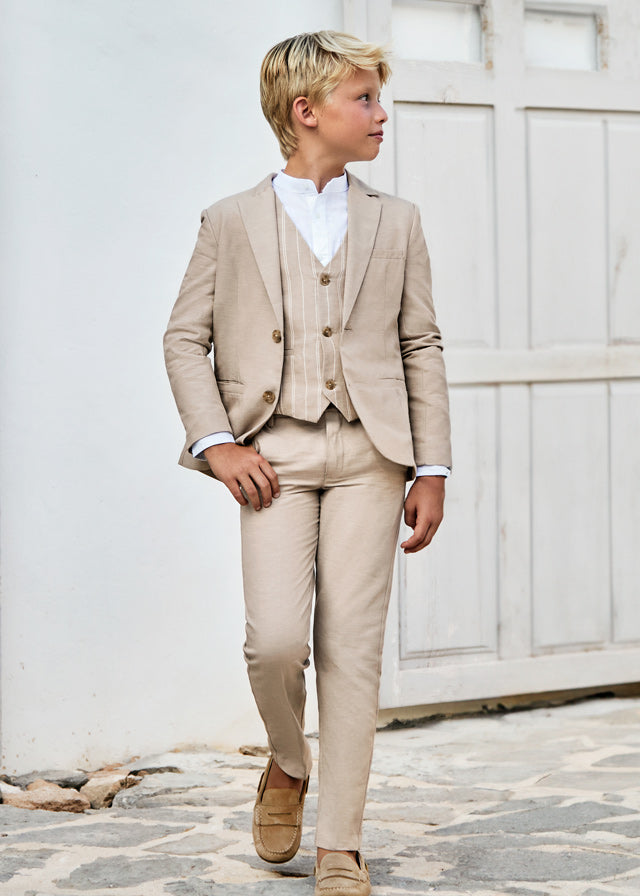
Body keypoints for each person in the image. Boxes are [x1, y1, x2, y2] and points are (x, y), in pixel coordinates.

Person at [163, 30, 451, 896]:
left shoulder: (398, 221)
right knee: (276, 644)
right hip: (273, 454)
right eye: (364, 98)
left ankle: (340, 846)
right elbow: (184, 338)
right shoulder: (229, 220)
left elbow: (420, 343)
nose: (380, 113)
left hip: (371, 455)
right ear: (306, 111)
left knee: (351, 650)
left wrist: (432, 467)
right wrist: (216, 443)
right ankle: (289, 761)